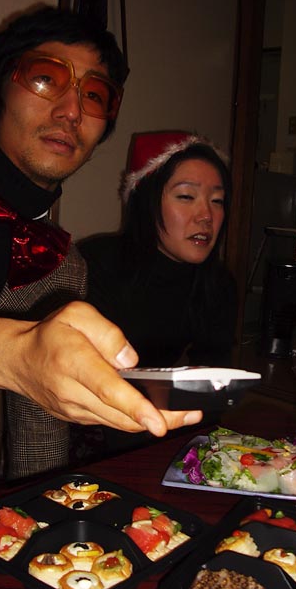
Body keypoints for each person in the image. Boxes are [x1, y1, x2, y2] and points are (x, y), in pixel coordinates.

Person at [0, 8, 202, 515]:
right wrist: (10, 353)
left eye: (94, 96)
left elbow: (38, 438)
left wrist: (50, 522)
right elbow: (21, 361)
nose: (72, 111)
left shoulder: (64, 266)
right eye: (45, 78)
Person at [78, 131, 237, 453]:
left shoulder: (218, 284)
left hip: (171, 438)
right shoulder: (95, 264)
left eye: (217, 201)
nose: (206, 216)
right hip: (93, 437)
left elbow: (212, 390)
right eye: (186, 196)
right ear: (146, 202)